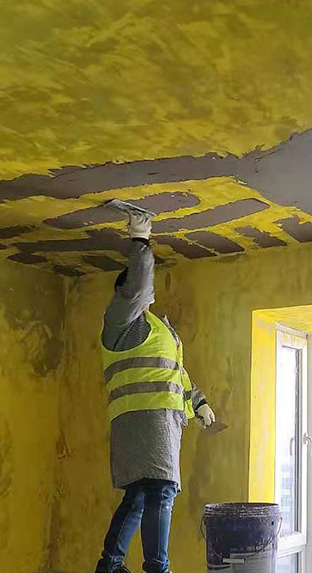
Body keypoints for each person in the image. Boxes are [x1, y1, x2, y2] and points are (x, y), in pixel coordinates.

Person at [95, 214, 216, 573]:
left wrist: (199, 402)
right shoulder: (121, 321)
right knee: (161, 490)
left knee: (139, 495)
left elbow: (172, 374)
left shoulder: (156, 328)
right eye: (139, 288)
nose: (147, 294)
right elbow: (137, 286)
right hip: (145, 421)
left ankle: (110, 565)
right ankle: (157, 569)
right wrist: (140, 239)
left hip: (157, 421)